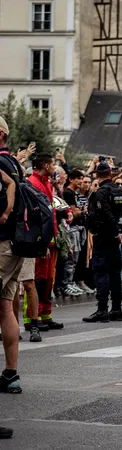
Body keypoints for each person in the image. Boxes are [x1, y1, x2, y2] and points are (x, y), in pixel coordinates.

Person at [82, 162, 122, 323]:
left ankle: (102, 309)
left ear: (97, 174)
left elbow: (103, 214)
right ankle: (117, 309)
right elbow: (118, 213)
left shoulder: (100, 193)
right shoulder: (118, 190)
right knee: (115, 272)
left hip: (103, 236)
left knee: (101, 271)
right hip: (114, 237)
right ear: (110, 173)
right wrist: (117, 232)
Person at [0, 116, 23, 395]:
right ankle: (10, 374)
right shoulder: (14, 163)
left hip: (2, 243)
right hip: (16, 245)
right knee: (5, 308)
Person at [27, 153, 64, 331]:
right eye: (53, 164)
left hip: (50, 239)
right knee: (36, 280)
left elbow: (50, 214)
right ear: (46, 166)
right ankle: (31, 317)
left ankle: (45, 315)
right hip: (40, 240)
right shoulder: (33, 184)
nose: (54, 167)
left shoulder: (47, 183)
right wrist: (41, 242)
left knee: (48, 279)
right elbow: (36, 216)